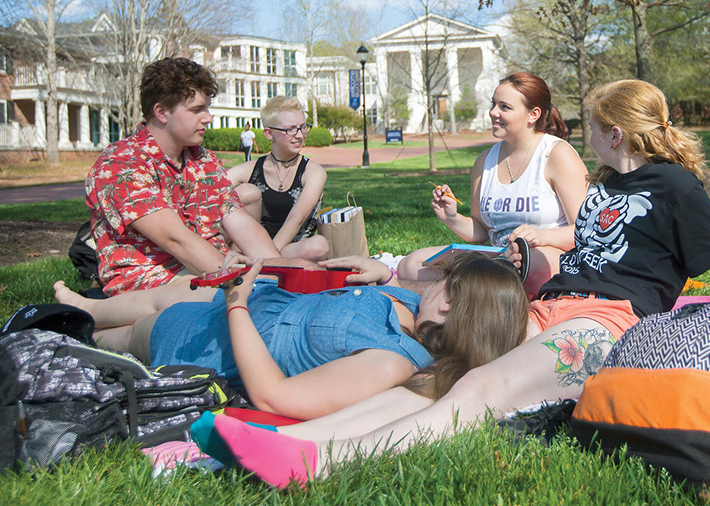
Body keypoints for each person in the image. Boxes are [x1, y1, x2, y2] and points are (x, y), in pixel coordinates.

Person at [205, 79, 710, 489]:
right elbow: (580, 249)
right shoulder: (607, 185)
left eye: (590, 127)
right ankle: (287, 442)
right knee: (437, 375)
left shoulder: (677, 188)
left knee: (478, 390)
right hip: (547, 306)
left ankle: (322, 464)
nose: (584, 137)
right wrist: (529, 251)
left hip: (605, 324)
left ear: (615, 132)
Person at [54, 252, 531, 421]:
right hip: (254, 303)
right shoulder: (409, 307)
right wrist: (383, 274)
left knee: (144, 327)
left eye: (441, 283)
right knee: (173, 293)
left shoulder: (391, 361)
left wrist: (237, 303)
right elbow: (397, 290)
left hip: (220, 338)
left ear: (448, 305)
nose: (430, 284)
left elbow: (274, 396)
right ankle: (86, 309)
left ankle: (73, 331)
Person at [85, 57, 287, 296]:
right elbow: (176, 240)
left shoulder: (203, 160)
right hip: (150, 284)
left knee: (285, 285)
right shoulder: (121, 164)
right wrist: (243, 284)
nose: (209, 118)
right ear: (161, 112)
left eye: (207, 108)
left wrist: (282, 275)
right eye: (196, 110)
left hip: (205, 271)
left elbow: (240, 222)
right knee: (249, 303)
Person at [397, 72, 589, 296]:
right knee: (411, 266)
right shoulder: (484, 161)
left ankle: (460, 298)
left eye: (504, 107)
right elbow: (481, 231)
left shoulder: (556, 154)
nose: (493, 113)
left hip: (544, 257)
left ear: (533, 114)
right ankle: (471, 298)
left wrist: (543, 236)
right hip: (498, 257)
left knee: (523, 264)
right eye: (493, 104)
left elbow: (586, 230)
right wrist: (452, 217)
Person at [227, 97, 329, 261]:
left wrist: (267, 257)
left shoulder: (314, 172)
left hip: (290, 250)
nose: (300, 135)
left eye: (303, 127)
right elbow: (212, 190)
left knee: (319, 245)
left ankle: (258, 265)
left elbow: (296, 219)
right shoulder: (251, 169)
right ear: (269, 133)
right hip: (252, 247)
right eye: (290, 129)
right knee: (245, 192)